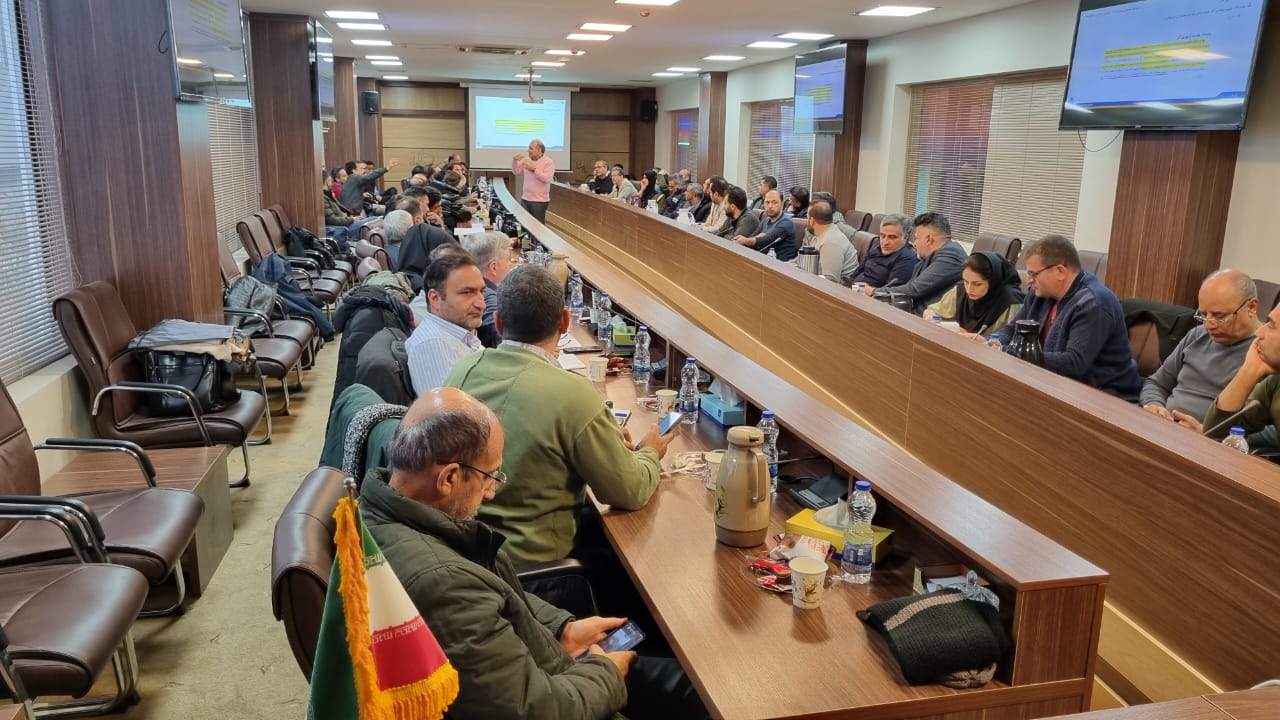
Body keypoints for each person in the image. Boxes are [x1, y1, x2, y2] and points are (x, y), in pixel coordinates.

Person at [359, 386, 705, 720]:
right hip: (558, 693)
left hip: (548, 668)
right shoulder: (443, 584)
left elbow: (498, 597)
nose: (491, 492)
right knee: (701, 696)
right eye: (489, 476)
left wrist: (561, 629)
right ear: (448, 478)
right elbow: (534, 710)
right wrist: (607, 672)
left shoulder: (385, 512)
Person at [446, 266, 672, 564]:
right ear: (565, 321)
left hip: (464, 553)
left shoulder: (463, 370)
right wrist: (650, 453)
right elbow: (630, 491)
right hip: (535, 568)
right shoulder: (575, 394)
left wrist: (606, 443)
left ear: (498, 322)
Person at [991, 235, 1141, 399]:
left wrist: (1015, 354)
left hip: (1106, 396)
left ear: (1060, 271)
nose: (1028, 280)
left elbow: (1074, 363)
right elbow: (1013, 329)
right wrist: (994, 342)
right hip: (1057, 384)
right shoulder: (1040, 293)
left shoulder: (1094, 303)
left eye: (1034, 274)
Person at [1142, 270, 1262, 431]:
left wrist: (1208, 432)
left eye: (1219, 316)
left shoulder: (1268, 353)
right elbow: (1156, 384)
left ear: (1251, 307)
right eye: (1204, 314)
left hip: (1211, 442)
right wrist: (1154, 405)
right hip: (1163, 428)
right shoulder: (1197, 335)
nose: (1208, 324)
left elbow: (1272, 432)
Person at [404, 254, 487, 394]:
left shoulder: (458, 334)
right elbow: (449, 408)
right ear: (435, 299)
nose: (482, 304)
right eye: (467, 292)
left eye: (482, 292)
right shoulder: (432, 345)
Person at [1203, 298, 1280, 440]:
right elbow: (1214, 433)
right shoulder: (1275, 383)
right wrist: (1250, 369)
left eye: (1271, 325)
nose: (1259, 332)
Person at [874, 212, 967, 313]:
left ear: (929, 239)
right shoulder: (929, 256)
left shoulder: (951, 256)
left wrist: (875, 292)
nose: (914, 243)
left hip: (928, 318)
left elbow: (914, 290)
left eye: (917, 238)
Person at [924, 251, 1024, 333]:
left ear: (992, 281)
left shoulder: (1010, 301)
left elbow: (1009, 337)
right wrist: (931, 318)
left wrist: (980, 340)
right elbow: (933, 310)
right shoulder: (961, 290)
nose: (969, 289)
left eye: (977, 284)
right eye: (966, 281)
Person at [460, 230, 513, 349]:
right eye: (508, 259)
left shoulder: (464, 290)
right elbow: (504, 340)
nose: (510, 264)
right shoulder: (490, 298)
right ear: (493, 267)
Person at [852, 214, 918, 290]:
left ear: (905, 237)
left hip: (868, 295)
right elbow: (858, 271)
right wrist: (849, 284)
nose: (885, 242)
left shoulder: (908, 259)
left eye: (892, 237)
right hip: (854, 289)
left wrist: (860, 288)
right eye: (882, 236)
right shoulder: (877, 245)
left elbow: (889, 292)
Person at [806, 200, 859, 285]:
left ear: (812, 221)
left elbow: (830, 280)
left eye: (807, 217)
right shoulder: (820, 235)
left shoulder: (831, 242)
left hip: (840, 290)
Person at [735, 189, 796, 260]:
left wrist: (746, 240)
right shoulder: (766, 219)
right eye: (767, 202)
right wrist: (755, 238)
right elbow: (753, 236)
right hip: (763, 258)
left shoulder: (786, 222)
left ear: (782, 204)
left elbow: (767, 240)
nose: (770, 206)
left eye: (774, 203)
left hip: (780, 263)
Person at [512, 139, 554, 223]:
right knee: (524, 224)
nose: (528, 150)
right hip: (525, 198)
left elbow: (548, 179)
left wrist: (534, 170)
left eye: (531, 148)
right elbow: (517, 172)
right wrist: (515, 161)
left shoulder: (548, 162)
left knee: (537, 226)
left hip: (539, 201)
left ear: (539, 150)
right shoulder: (526, 161)